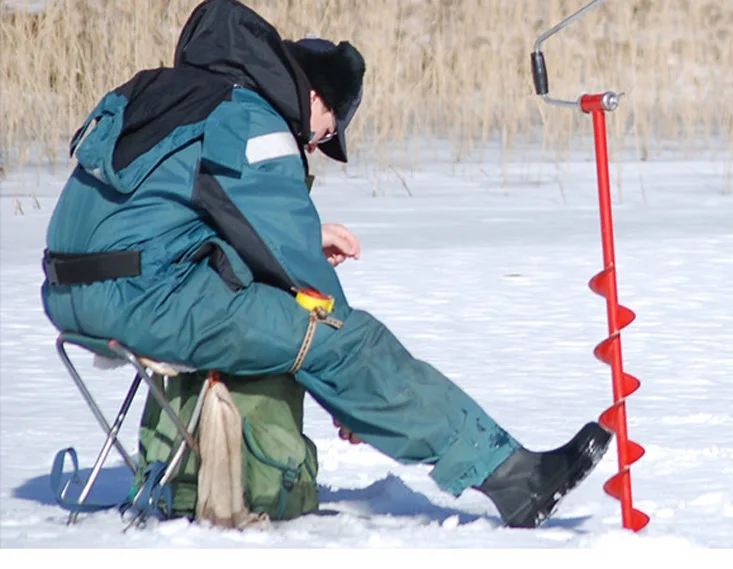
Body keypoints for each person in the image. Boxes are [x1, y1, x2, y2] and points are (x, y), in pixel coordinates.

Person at [41, 0, 611, 528]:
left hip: (76, 294)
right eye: (328, 133)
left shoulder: (182, 93)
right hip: (144, 302)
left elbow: (188, 215)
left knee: (299, 326)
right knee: (346, 338)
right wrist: (345, 374)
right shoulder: (253, 120)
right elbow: (300, 278)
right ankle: (516, 479)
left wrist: (308, 238)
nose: (315, 146)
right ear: (316, 97)